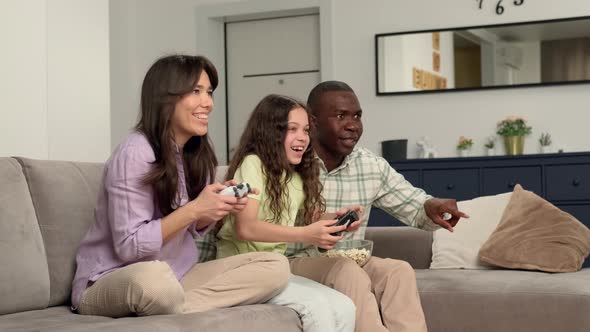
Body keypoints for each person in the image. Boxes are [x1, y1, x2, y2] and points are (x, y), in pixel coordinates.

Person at [70, 55, 290, 317]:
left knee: (275, 266)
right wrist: (195, 210)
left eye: (208, 92)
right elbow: (129, 246)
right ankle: (169, 303)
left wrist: (214, 208)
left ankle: (175, 307)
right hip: (113, 278)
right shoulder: (135, 152)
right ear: (165, 98)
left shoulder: (196, 154)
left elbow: (190, 229)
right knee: (154, 281)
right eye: (196, 91)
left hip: (177, 275)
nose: (208, 103)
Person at [286, 81, 469, 332]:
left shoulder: (370, 165)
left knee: (398, 271)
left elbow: (413, 204)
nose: (352, 125)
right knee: (348, 271)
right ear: (313, 122)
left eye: (357, 116)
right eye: (340, 116)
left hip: (346, 261)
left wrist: (430, 206)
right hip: (293, 262)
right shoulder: (290, 159)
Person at [215, 94, 357, 332]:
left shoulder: (296, 174)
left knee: (345, 307)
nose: (302, 137)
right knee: (317, 307)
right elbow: (246, 227)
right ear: (271, 132)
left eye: (306, 130)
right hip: (240, 269)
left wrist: (337, 220)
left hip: (274, 270)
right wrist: (305, 234)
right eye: (292, 129)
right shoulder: (253, 164)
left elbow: (309, 221)